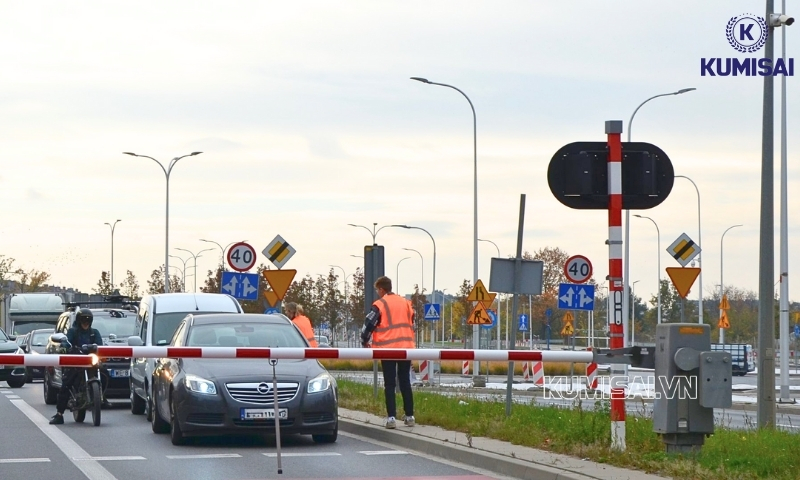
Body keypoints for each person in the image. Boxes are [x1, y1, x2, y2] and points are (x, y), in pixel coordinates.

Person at [360, 276, 416, 429]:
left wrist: (364, 340)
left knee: (390, 383)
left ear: (381, 289)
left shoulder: (380, 304)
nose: (377, 293)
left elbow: (369, 324)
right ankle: (410, 416)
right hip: (406, 348)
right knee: (405, 381)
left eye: (377, 290)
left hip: (388, 348)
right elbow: (412, 321)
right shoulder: (406, 303)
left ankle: (391, 418)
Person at [50, 308, 105, 425]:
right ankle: (59, 414)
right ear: (79, 321)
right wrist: (65, 347)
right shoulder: (73, 331)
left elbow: (100, 344)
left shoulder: (95, 333)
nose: (86, 322)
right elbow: (66, 342)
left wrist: (101, 350)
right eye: (83, 320)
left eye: (88, 320)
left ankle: (101, 397)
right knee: (66, 383)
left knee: (104, 373)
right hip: (76, 362)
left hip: (91, 362)